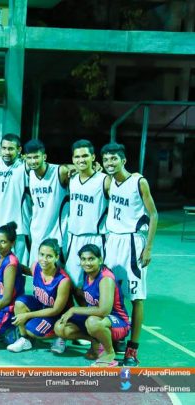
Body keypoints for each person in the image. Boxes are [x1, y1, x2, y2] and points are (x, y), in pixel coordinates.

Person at [102, 142, 158, 366]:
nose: (109, 163)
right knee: (113, 294)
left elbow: (153, 214)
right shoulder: (109, 182)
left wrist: (149, 247)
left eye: (114, 159)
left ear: (123, 160)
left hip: (132, 242)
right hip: (112, 241)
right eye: (106, 159)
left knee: (136, 297)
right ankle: (118, 337)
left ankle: (132, 350)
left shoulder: (138, 181)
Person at [55, 244, 131, 367]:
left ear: (100, 260)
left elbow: (104, 310)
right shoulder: (87, 273)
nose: (87, 263)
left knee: (93, 322)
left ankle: (109, 353)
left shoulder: (105, 278)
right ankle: (96, 342)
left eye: (91, 259)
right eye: (83, 259)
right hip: (96, 318)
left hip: (118, 321)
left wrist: (74, 309)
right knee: (60, 327)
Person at [6, 238, 72, 353]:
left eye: (49, 256)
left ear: (56, 257)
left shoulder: (63, 280)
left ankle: (60, 336)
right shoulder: (35, 266)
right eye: (42, 254)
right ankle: (24, 339)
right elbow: (24, 269)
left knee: (31, 330)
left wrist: (26, 316)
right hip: (40, 305)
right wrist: (7, 260)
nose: (44, 259)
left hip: (56, 315)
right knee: (19, 303)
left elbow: (56, 310)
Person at [65, 139, 109, 287]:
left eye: (85, 156)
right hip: (74, 237)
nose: (81, 160)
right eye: (77, 157)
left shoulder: (104, 180)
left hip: (95, 237)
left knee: (97, 283)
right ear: (73, 159)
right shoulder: (71, 179)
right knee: (73, 284)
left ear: (93, 157)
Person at [23, 139, 70, 267]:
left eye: (36, 157)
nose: (33, 161)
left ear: (44, 157)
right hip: (37, 233)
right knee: (36, 273)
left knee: (57, 273)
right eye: (29, 158)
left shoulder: (60, 172)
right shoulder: (30, 174)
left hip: (57, 234)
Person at [0, 134, 32, 265]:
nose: (7, 152)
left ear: (19, 150)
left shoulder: (25, 165)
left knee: (18, 267)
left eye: (11, 149)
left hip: (19, 228)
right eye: (4, 148)